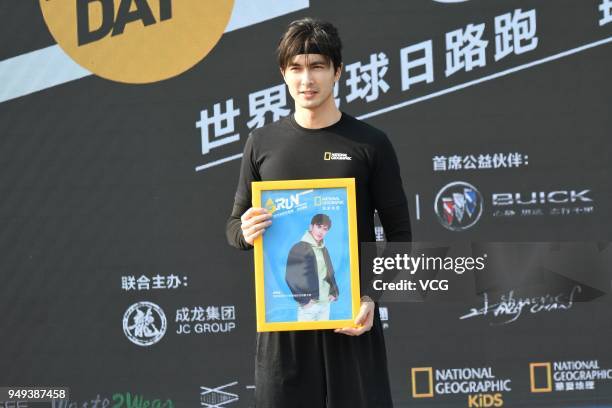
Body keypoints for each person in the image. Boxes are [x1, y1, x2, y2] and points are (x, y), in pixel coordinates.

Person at [226, 17, 411, 408]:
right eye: (296, 67)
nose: (306, 79)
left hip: (350, 319)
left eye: (317, 66)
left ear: (337, 72)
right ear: (283, 73)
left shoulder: (370, 143)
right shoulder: (262, 143)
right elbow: (234, 228)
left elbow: (400, 238)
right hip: (283, 326)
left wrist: (371, 298)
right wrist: (246, 229)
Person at [285, 213, 339, 322]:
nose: (321, 232)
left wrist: (334, 292)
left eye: (325, 229)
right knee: (304, 338)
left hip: (325, 304)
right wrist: (304, 300)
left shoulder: (324, 249)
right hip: (309, 306)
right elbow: (290, 277)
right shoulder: (299, 247)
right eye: (319, 227)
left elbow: (330, 272)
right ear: (311, 227)